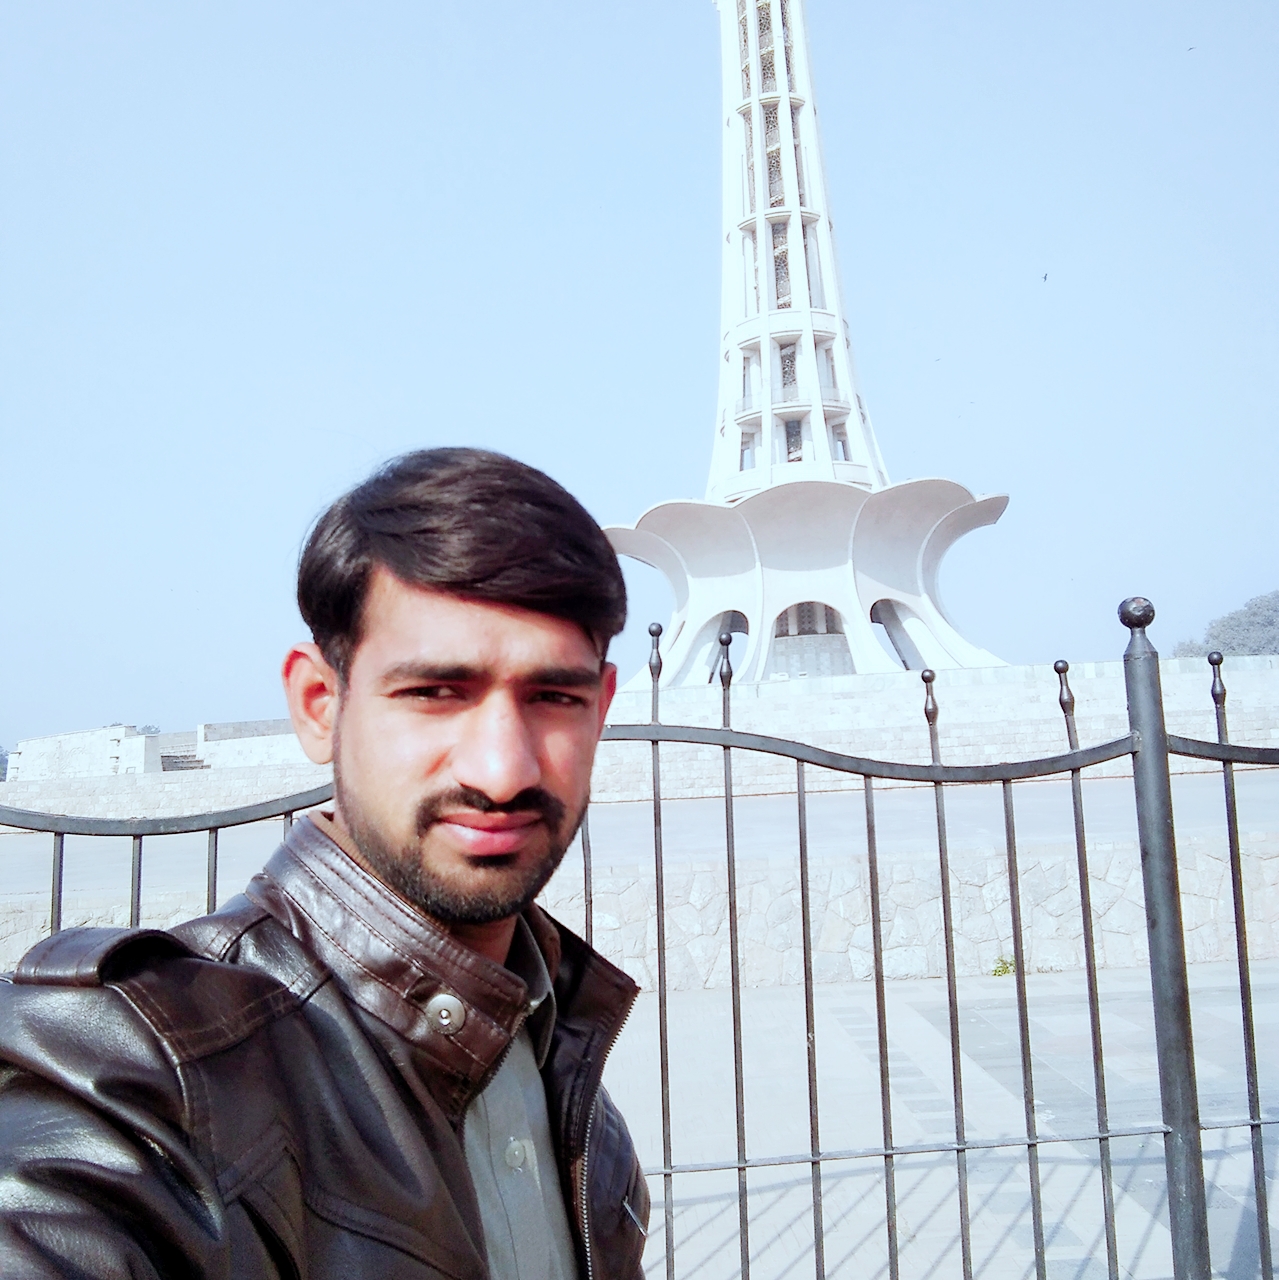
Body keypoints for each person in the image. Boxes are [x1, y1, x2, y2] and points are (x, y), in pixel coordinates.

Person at [0, 448, 650, 1279]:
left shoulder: (571, 1085)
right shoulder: (153, 1075)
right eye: (434, 693)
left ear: (601, 709)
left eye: (553, 697)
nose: (502, 770)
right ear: (319, 704)